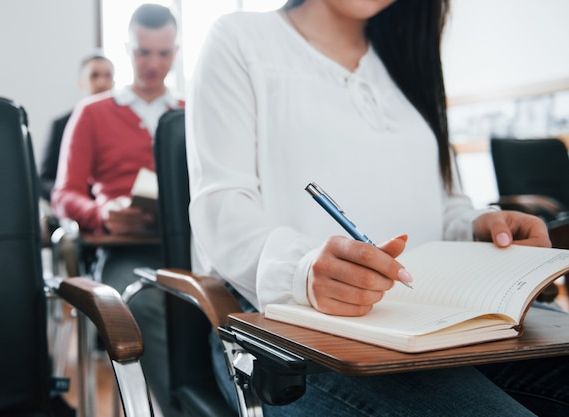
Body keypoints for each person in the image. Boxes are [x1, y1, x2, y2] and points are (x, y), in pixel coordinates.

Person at [186, 0, 569, 416]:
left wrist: (478, 228)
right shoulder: (239, 40)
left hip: (440, 324)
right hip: (290, 339)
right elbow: (220, 207)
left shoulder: (409, 60)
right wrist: (303, 271)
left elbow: (446, 205)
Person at [51, 4, 183, 415]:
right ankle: (179, 409)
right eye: (144, 52)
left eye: (164, 53)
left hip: (190, 247)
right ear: (128, 49)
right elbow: (65, 194)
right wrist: (101, 213)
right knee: (139, 302)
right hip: (125, 249)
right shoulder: (92, 113)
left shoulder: (188, 113)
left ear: (176, 52)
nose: (153, 64)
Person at [39, 54, 114, 202]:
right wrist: (70, 199)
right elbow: (43, 181)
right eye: (94, 75)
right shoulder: (61, 125)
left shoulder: (122, 124)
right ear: (81, 82)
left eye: (108, 76)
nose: (101, 82)